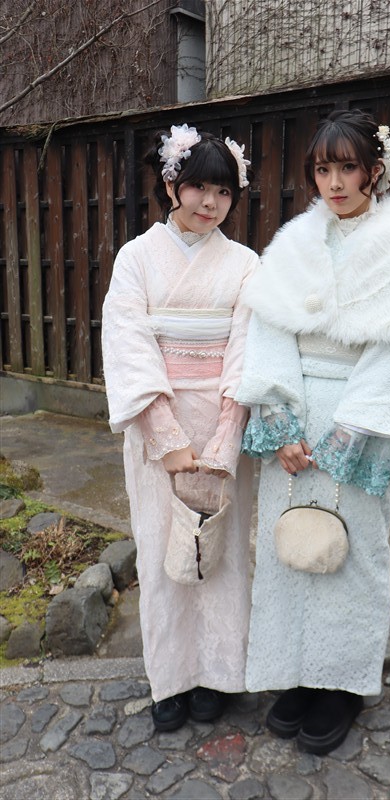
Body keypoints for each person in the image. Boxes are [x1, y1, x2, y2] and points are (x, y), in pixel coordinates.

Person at [235, 109, 390, 754]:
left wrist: (350, 432)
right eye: (322, 169)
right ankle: (296, 674)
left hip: (358, 422)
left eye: (347, 168)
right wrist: (278, 422)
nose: (333, 182)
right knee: (289, 550)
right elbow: (267, 328)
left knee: (351, 554)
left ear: (374, 171)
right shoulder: (295, 241)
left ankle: (341, 684)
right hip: (293, 419)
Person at [101, 124, 259, 732]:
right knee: (160, 544)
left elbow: (247, 351)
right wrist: (166, 440)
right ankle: (169, 677)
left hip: (221, 426)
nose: (210, 202)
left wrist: (226, 437)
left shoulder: (244, 264)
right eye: (198, 187)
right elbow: (129, 346)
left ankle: (218, 673)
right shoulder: (136, 258)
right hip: (158, 426)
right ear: (171, 185)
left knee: (222, 550)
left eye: (223, 191)